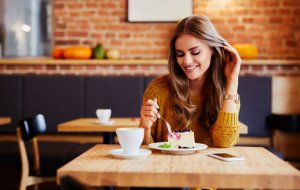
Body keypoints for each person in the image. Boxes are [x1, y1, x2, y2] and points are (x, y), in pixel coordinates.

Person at [139, 14, 242, 148]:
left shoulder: (227, 92)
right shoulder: (159, 89)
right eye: (180, 54)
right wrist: (145, 127)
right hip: (165, 167)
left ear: (213, 49)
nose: (186, 61)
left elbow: (224, 142)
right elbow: (145, 148)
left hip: (210, 168)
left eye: (195, 52)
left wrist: (232, 80)